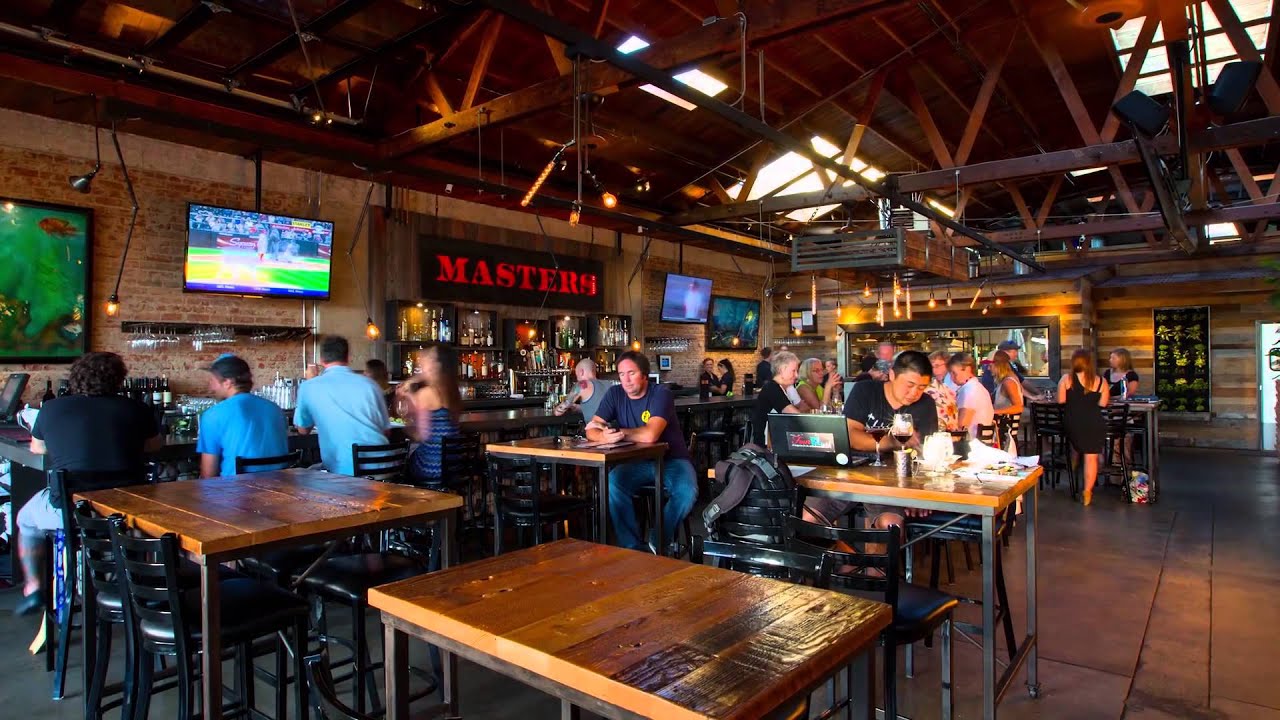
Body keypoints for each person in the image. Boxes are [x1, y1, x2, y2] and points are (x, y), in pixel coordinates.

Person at [16, 352, 161, 615]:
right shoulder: (136, 408)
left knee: (25, 520)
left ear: (75, 378)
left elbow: (38, 448)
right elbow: (153, 446)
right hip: (124, 513)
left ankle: (34, 588)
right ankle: (137, 586)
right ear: (118, 379)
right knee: (138, 523)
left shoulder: (52, 408)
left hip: (70, 511)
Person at [585, 352, 695, 554]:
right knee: (613, 483)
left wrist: (616, 432)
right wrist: (602, 437)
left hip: (672, 460)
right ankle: (632, 548)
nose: (626, 380)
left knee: (687, 492)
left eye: (631, 373)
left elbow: (650, 435)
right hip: (637, 462)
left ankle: (658, 538)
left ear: (644, 375)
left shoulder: (661, 394)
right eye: (621, 374)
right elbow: (591, 428)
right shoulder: (615, 394)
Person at [844, 350, 938, 539]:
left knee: (889, 525)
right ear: (892, 375)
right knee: (807, 516)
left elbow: (926, 454)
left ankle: (878, 561)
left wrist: (919, 494)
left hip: (894, 483)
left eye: (922, 387)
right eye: (909, 385)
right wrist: (892, 441)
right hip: (850, 475)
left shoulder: (926, 404)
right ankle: (832, 557)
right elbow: (851, 436)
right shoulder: (865, 391)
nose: (914, 393)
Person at [294, 335, 391, 476]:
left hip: (345, 475)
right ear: (348, 357)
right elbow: (386, 431)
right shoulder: (370, 384)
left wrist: (310, 381)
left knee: (303, 475)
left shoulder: (309, 387)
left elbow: (303, 430)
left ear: (321, 360)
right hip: (384, 468)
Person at [197, 354, 290, 478]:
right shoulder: (275, 409)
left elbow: (208, 475)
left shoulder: (213, 415)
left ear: (228, 382)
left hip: (237, 488)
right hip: (281, 487)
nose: (210, 386)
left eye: (213, 381)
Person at [400, 346, 462, 484]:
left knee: (401, 464)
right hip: (453, 466)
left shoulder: (426, 393)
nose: (424, 361)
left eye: (430, 358)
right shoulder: (454, 392)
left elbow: (421, 435)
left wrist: (406, 424)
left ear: (438, 366)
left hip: (431, 467)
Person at [1059, 348, 1110, 506]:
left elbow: (1060, 400)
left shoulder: (1066, 379)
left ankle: (1073, 467)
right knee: (1091, 457)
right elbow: (1103, 404)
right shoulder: (1101, 381)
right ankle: (1087, 492)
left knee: (1075, 445)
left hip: (1073, 422)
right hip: (1094, 422)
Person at [750, 350, 803, 446]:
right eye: (793, 371)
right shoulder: (772, 388)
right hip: (766, 447)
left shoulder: (780, 387)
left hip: (775, 441)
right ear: (781, 370)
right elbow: (795, 415)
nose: (796, 375)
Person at [949, 352, 994, 439]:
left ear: (967, 369)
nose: (951, 377)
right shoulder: (978, 387)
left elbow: (962, 425)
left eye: (954, 373)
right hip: (983, 441)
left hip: (972, 442)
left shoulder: (969, 390)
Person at [926, 351, 958, 431]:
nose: (934, 370)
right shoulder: (931, 387)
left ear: (947, 364)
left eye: (937, 366)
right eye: (931, 367)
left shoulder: (951, 382)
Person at [991, 350, 1025, 425]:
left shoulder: (1009, 382)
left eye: (990, 366)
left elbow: (1018, 407)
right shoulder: (1004, 380)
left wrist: (994, 412)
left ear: (999, 365)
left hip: (1007, 427)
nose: (988, 369)